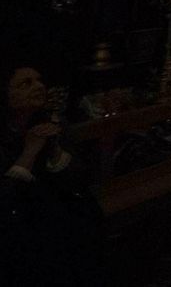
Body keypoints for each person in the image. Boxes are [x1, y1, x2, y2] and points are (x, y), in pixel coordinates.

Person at [0, 62, 105, 286]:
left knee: (83, 215)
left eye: (39, 81)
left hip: (48, 208)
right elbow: (5, 198)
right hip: (14, 218)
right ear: (7, 95)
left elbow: (80, 178)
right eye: (26, 84)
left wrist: (55, 150)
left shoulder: (52, 122)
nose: (39, 86)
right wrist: (29, 152)